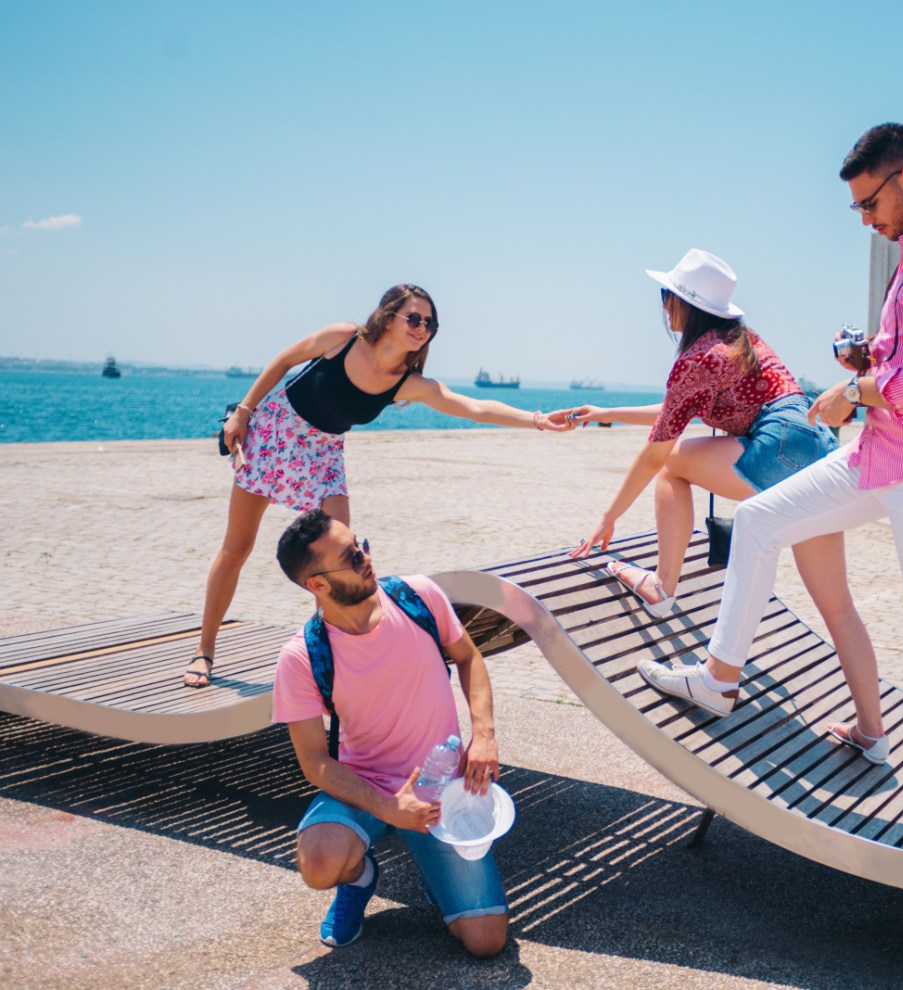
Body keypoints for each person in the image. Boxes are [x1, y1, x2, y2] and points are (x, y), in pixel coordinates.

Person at [637, 124, 903, 851]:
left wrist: (853, 390)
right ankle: (718, 680)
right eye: (857, 209)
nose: (865, 220)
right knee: (760, 521)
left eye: (868, 203)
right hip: (884, 456)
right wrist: (869, 359)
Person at [184, 283, 572, 687]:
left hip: (323, 454)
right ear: (388, 316)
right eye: (414, 318)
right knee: (236, 548)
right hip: (275, 432)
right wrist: (243, 412)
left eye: (430, 323)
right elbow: (284, 361)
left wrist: (538, 420)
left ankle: (335, 656)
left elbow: (474, 407)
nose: (422, 327)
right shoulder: (342, 338)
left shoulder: (406, 383)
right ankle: (204, 651)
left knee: (344, 561)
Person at [271, 509, 507, 955]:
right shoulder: (302, 656)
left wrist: (485, 736)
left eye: (361, 545)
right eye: (350, 557)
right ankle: (360, 880)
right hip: (365, 787)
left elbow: (470, 659)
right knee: (319, 864)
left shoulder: (417, 596)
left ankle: (439, 870)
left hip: (444, 790)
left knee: (486, 943)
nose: (365, 558)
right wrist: (386, 806)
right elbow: (316, 764)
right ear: (317, 584)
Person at [566, 248, 840, 628]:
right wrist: (607, 414)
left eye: (666, 297)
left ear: (683, 304)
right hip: (820, 448)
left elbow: (653, 455)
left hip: (778, 448)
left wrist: (607, 517)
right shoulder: (741, 340)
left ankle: (662, 587)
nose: (663, 306)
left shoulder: (698, 359)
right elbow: (678, 408)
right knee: (838, 611)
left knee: (671, 465)